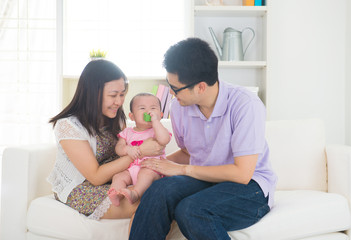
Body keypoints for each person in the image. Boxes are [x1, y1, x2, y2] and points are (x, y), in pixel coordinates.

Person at [129, 38, 278, 240]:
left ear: (200, 87)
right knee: (159, 190)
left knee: (190, 210)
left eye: (176, 88)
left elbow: (242, 174)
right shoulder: (179, 107)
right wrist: (153, 165)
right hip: (205, 179)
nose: (171, 93)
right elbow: (188, 153)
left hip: (249, 187)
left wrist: (182, 170)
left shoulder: (245, 105)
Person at [47, 60, 164, 220]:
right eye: (113, 95)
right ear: (92, 94)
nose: (119, 101)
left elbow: (126, 152)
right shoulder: (68, 126)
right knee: (149, 202)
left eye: (122, 94)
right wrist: (140, 151)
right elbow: (95, 177)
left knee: (163, 193)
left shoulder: (116, 118)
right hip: (82, 187)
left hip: (116, 179)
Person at [108, 93, 172, 205]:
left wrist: (156, 122)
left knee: (146, 174)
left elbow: (164, 140)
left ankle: (136, 194)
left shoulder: (157, 130)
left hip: (152, 169)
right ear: (132, 116)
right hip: (131, 169)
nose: (148, 112)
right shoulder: (127, 132)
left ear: (161, 115)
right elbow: (118, 148)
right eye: (142, 108)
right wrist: (127, 149)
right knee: (118, 176)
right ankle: (116, 194)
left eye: (153, 108)